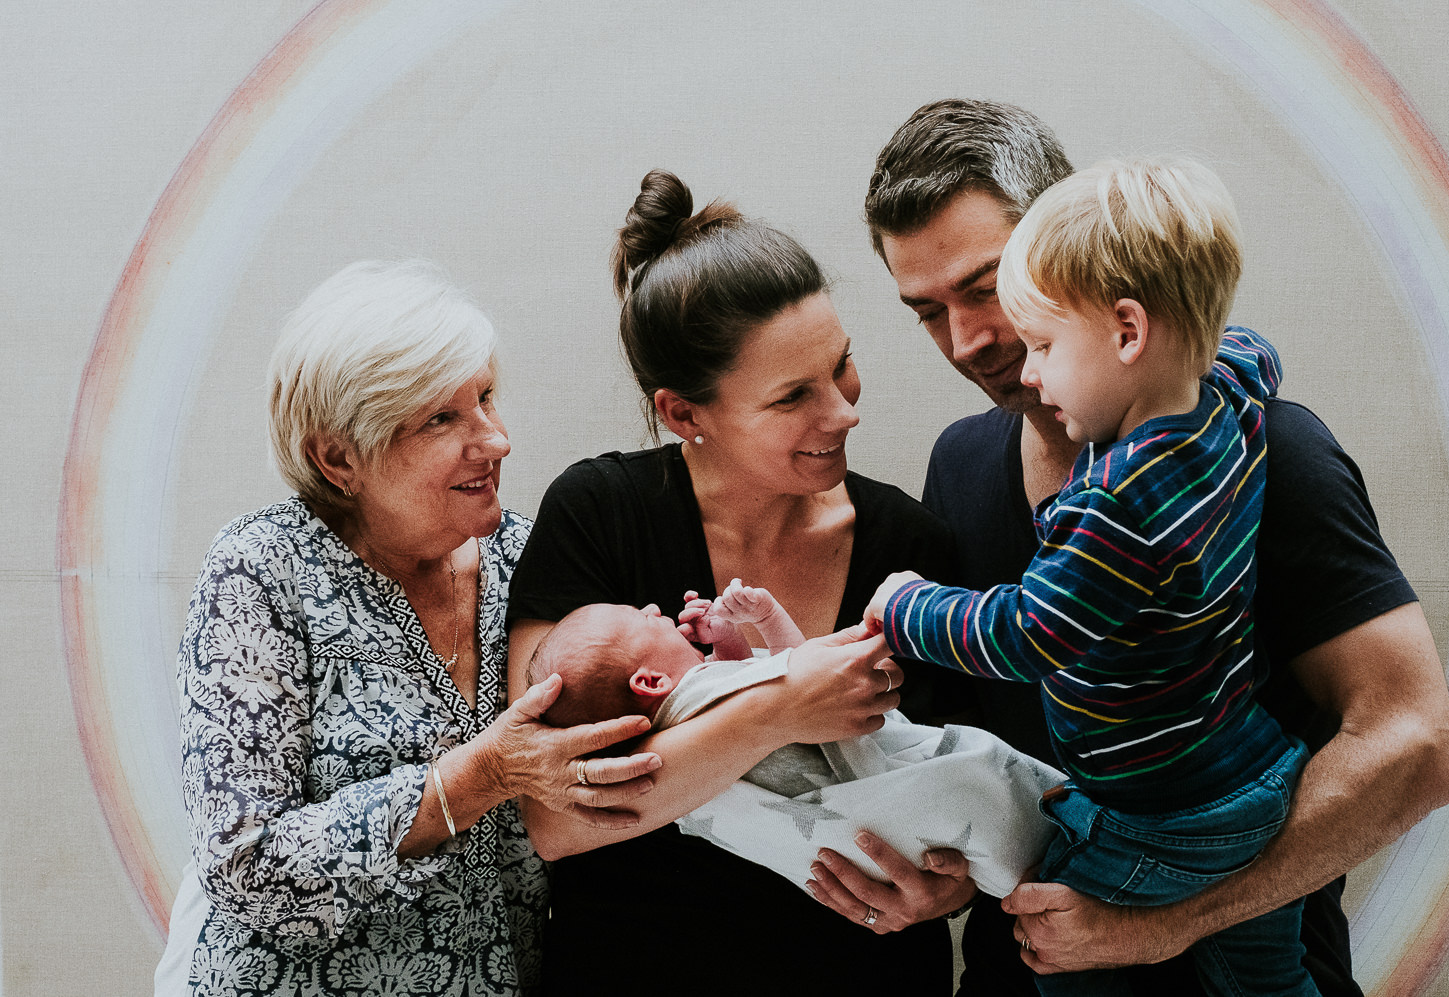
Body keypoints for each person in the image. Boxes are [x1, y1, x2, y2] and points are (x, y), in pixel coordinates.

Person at [802, 99, 1449, 996]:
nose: (968, 342)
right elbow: (980, 754)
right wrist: (942, 875)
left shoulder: (1273, 447)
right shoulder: (961, 462)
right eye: (926, 311)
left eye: (986, 286)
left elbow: (1417, 748)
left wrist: (1164, 923)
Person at [153, 260, 662, 997]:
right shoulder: (260, 572)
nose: (496, 440)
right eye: (442, 418)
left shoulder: (532, 555)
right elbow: (244, 863)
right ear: (338, 457)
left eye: (485, 397)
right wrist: (480, 774)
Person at [505, 169, 959, 996]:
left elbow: (946, 780)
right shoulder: (600, 513)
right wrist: (785, 703)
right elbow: (554, 816)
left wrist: (946, 886)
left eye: (842, 365)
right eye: (793, 396)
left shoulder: (912, 548)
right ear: (684, 414)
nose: (845, 411)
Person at [868, 156, 1313, 996]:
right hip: (1257, 772)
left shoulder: (1112, 500)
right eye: (928, 312)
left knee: (1054, 936)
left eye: (1039, 339)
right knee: (1272, 983)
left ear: (1127, 330)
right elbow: (1253, 350)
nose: (1021, 367)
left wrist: (905, 606)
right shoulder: (1229, 395)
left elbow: (1028, 629)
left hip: (1161, 811)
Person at [529, 593, 1062, 900]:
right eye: (638, 618)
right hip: (876, 791)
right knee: (1021, 792)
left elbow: (749, 685)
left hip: (864, 849)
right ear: (649, 683)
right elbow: (810, 682)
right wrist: (765, 619)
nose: (652, 608)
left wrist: (724, 642)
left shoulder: (684, 730)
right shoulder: (700, 698)